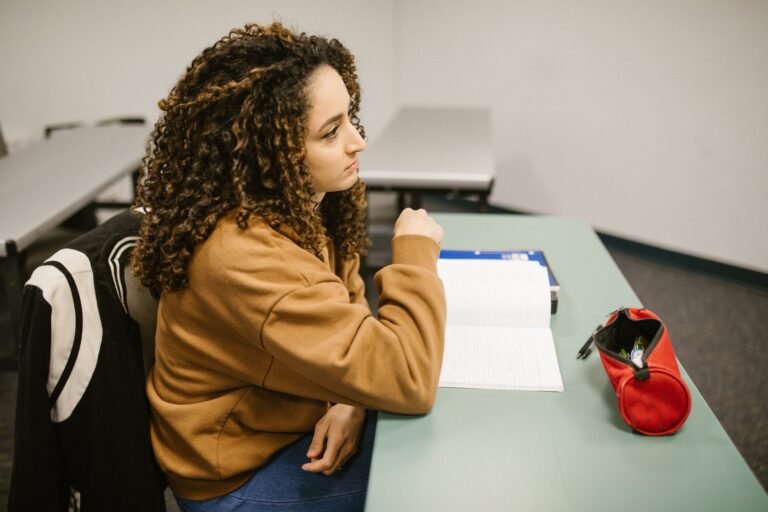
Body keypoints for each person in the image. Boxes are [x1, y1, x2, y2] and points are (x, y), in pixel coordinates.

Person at [131, 22, 446, 511]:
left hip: (288, 424)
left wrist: (350, 399)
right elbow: (408, 377)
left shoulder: (304, 205)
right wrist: (414, 256)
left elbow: (348, 298)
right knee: (435, 478)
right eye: (331, 132)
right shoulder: (245, 257)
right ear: (269, 152)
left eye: (350, 119)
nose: (357, 142)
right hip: (238, 479)